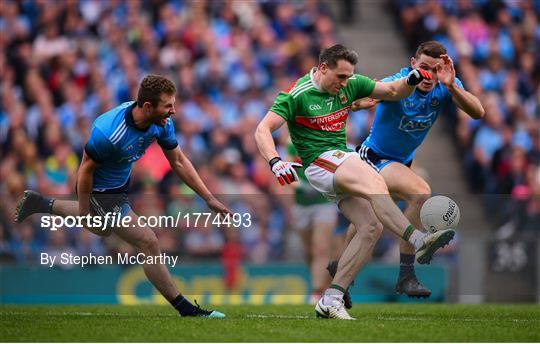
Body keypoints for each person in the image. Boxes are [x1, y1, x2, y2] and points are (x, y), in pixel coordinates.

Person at [255, 44, 455, 320]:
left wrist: (410, 79)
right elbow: (262, 129)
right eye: (340, 77)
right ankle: (418, 239)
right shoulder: (297, 94)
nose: (345, 83)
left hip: (341, 159)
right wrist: (275, 161)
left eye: (349, 77)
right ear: (323, 68)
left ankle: (332, 298)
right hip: (319, 162)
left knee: (370, 226)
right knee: (375, 182)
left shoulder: (350, 84)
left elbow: (393, 91)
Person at [15, 75, 230, 318]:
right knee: (147, 240)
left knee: (103, 229)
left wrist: (208, 198)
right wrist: (85, 210)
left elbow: (178, 161)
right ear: (148, 106)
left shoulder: (161, 122)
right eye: (168, 106)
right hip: (101, 189)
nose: (173, 110)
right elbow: (84, 170)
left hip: (121, 183)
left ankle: (41, 203)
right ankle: (186, 309)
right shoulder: (109, 132)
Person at [329, 41, 485, 301]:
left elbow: (478, 112)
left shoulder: (443, 87)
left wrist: (451, 85)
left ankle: (341, 269)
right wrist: (361, 102)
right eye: (424, 68)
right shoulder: (399, 81)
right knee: (420, 192)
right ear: (413, 64)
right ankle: (406, 274)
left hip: (400, 164)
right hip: (373, 158)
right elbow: (363, 97)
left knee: (370, 221)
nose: (429, 75)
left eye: (435, 70)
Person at [286, 143, 339, 304]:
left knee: (320, 249)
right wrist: (301, 186)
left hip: (324, 203)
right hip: (301, 205)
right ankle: (323, 286)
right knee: (309, 251)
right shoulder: (292, 145)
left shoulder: (327, 142)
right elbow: (286, 173)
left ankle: (317, 291)